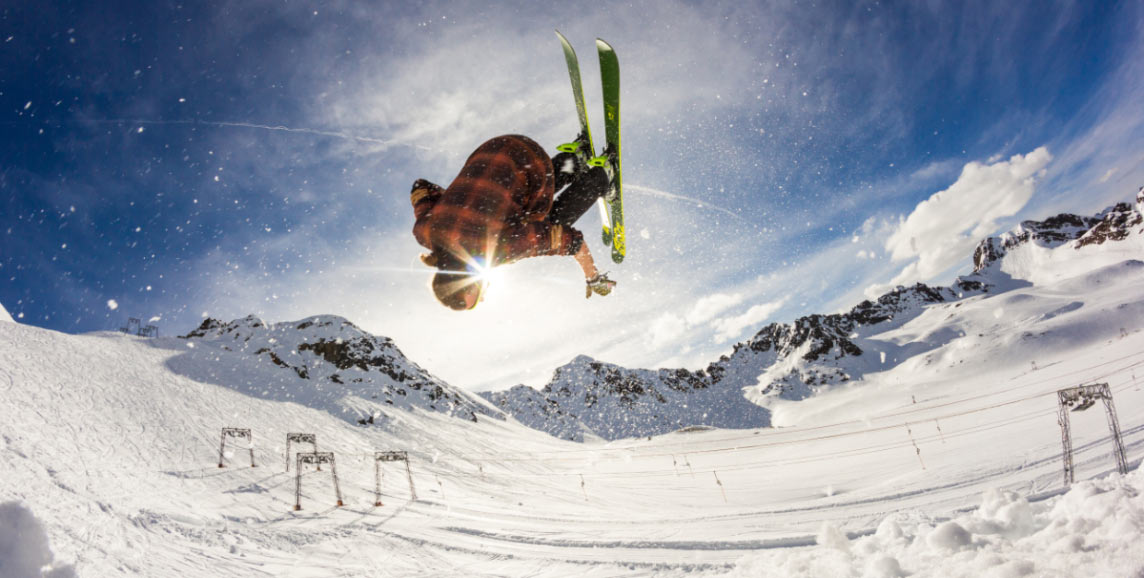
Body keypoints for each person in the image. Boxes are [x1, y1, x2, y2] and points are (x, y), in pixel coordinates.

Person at [410, 134, 617, 310]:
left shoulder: (497, 249)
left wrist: (593, 278)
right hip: (496, 148)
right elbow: (420, 187)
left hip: (534, 160)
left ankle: (601, 177)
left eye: (476, 298)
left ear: (468, 282)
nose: (483, 298)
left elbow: (569, 240)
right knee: (515, 206)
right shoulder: (425, 232)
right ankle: (574, 159)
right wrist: (464, 203)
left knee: (548, 222)